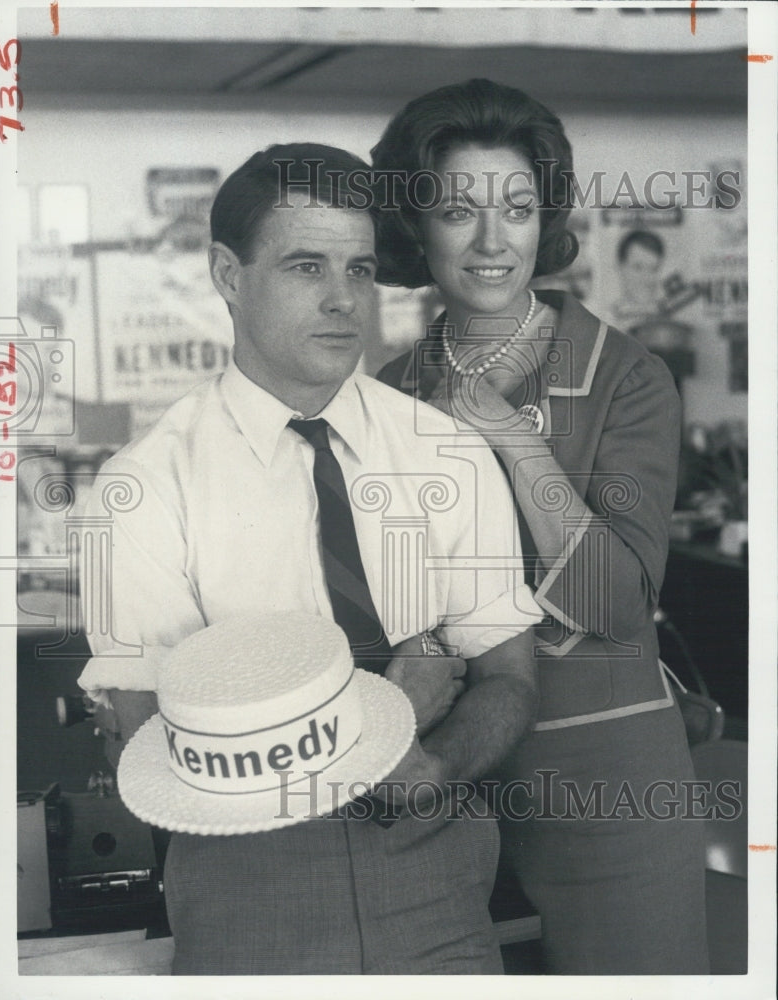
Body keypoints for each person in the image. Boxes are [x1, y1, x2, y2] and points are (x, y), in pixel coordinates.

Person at [77, 143, 546, 975]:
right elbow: (139, 744)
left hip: (436, 868)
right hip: (248, 883)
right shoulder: (143, 486)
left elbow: (508, 674)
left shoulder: (448, 453)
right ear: (228, 273)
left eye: (359, 270)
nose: (342, 302)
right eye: (305, 266)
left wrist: (430, 765)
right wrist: (378, 718)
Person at [373, 79, 710, 975]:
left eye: (518, 209)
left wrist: (515, 440)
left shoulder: (626, 378)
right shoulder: (382, 391)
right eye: (458, 211)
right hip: (439, 787)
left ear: (546, 217)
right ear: (417, 225)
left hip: (604, 785)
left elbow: (616, 603)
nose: (492, 241)